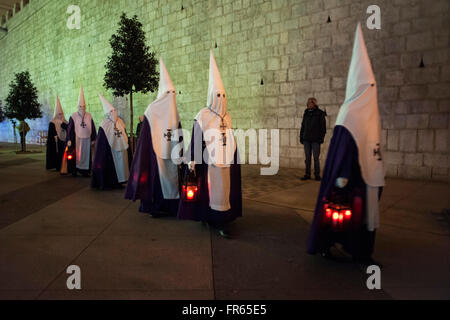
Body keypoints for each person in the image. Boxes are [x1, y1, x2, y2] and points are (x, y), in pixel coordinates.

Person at [306, 23, 385, 267]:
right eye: (367, 87)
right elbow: (342, 149)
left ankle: (361, 251)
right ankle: (327, 246)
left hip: (366, 178)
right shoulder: (349, 112)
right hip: (349, 179)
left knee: (362, 220)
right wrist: (342, 177)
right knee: (339, 216)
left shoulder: (370, 112)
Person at [177, 51, 242, 239]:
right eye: (218, 95)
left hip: (226, 161)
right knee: (209, 192)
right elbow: (197, 137)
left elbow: (230, 137)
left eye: (223, 95)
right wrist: (193, 160)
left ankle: (223, 220)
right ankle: (210, 218)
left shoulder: (227, 116)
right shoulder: (203, 115)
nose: (221, 98)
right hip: (208, 162)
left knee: (224, 192)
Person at [125, 57, 183, 217]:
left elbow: (178, 130)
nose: (171, 96)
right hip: (155, 155)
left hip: (171, 153)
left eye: (173, 93)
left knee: (172, 180)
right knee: (157, 181)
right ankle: (155, 207)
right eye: (168, 93)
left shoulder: (174, 111)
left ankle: (172, 206)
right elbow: (144, 137)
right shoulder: (152, 110)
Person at [91, 93, 129, 189]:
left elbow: (124, 133)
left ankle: (121, 180)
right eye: (111, 111)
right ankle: (112, 182)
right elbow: (101, 142)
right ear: (108, 113)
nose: (114, 113)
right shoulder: (104, 124)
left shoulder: (120, 122)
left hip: (121, 149)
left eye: (114, 110)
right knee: (113, 166)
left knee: (122, 166)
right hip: (110, 151)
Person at [66, 86, 96, 177]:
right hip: (77, 139)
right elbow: (70, 129)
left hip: (87, 138)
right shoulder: (73, 116)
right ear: (77, 107)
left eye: (83, 107)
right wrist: (69, 139)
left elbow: (93, 127)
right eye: (80, 106)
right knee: (76, 155)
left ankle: (85, 171)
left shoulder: (89, 115)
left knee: (86, 155)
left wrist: (94, 137)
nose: (82, 108)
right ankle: (75, 170)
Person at [299, 97, 326, 181]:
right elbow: (303, 126)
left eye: (310, 102)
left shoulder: (320, 113)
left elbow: (323, 128)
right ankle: (307, 174)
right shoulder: (306, 113)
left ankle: (317, 175)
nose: (308, 104)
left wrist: (321, 138)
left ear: (314, 104)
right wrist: (301, 137)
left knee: (316, 158)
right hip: (306, 139)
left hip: (315, 140)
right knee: (307, 158)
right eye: (307, 102)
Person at [46, 94, 68, 171]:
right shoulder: (52, 122)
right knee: (56, 154)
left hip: (63, 141)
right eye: (59, 114)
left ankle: (63, 165)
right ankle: (57, 166)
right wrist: (55, 135)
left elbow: (68, 128)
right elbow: (52, 132)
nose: (60, 115)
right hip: (56, 141)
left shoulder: (65, 121)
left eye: (61, 114)